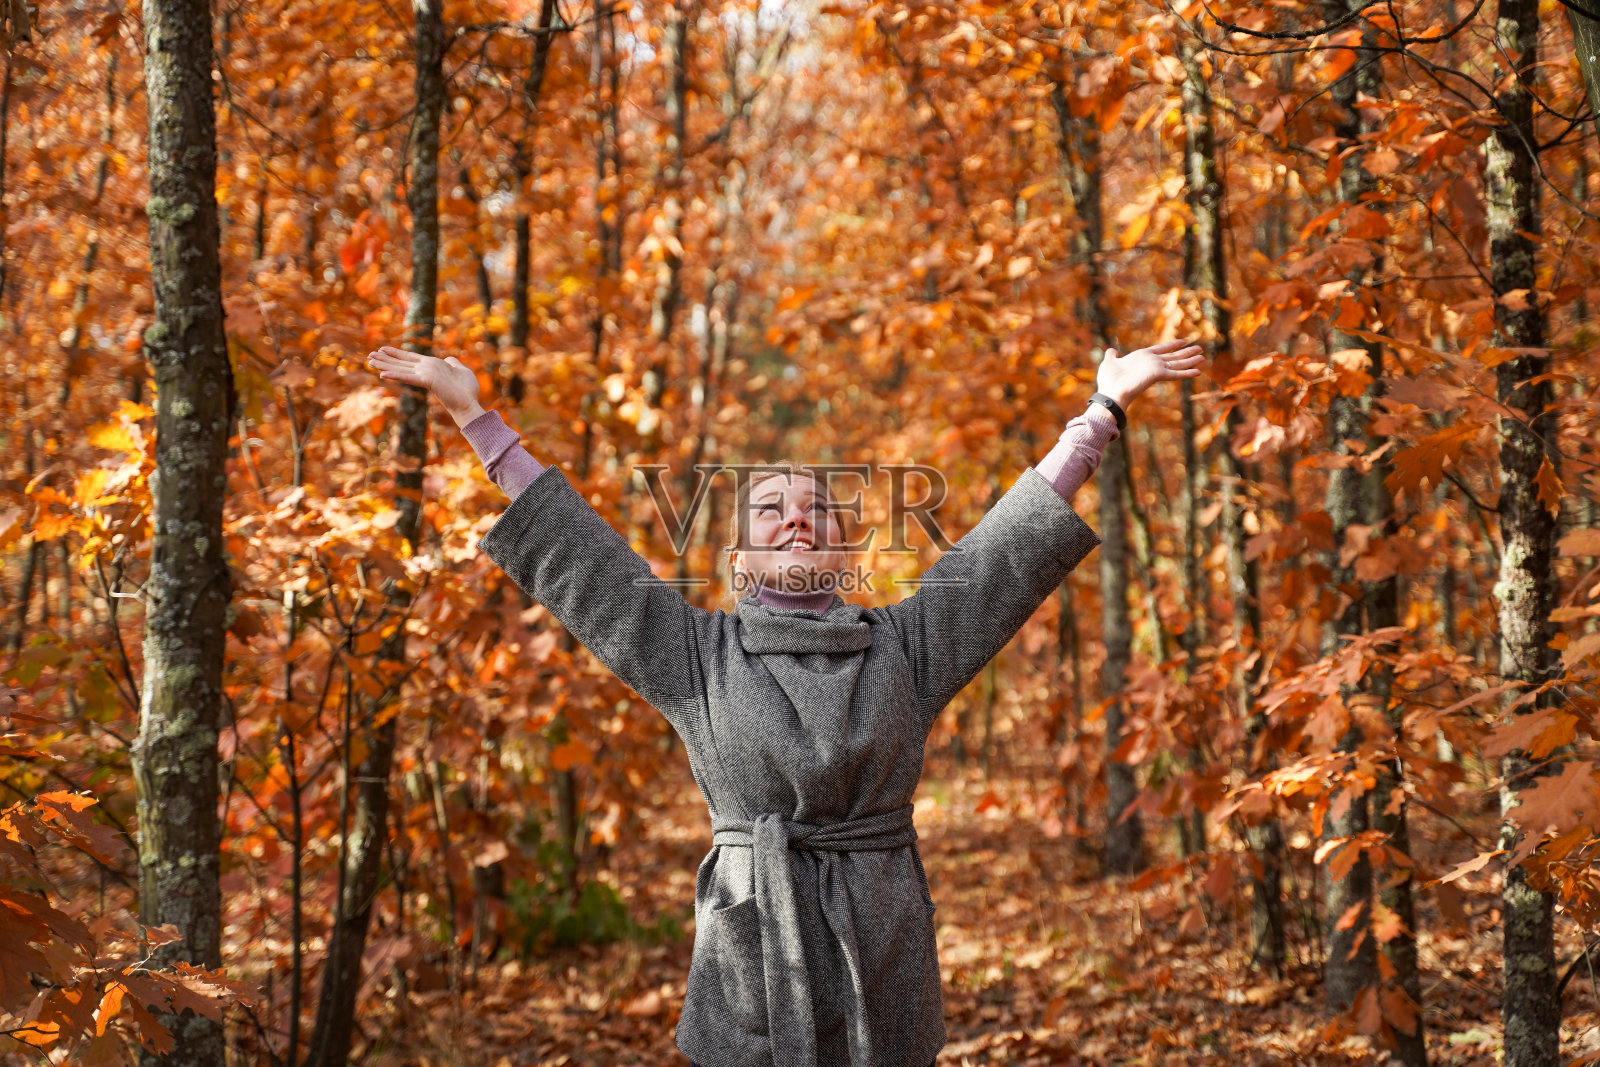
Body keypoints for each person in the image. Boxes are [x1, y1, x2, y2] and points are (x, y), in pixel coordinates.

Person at [367, 338, 1205, 1067]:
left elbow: (1005, 549)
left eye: (820, 513)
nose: (798, 522)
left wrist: (1102, 408)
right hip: (749, 963)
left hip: (886, 959)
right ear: (735, 563)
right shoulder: (695, 654)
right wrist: (477, 418)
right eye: (771, 510)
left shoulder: (907, 646)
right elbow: (588, 562)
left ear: (846, 557)